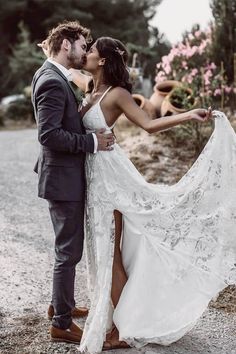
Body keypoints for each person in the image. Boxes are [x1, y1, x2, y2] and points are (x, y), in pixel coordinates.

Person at [39, 35, 236, 353]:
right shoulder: (92, 89)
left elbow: (148, 125)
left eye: (90, 50)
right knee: (105, 252)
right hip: (94, 177)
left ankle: (121, 330)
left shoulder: (117, 93)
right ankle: (113, 316)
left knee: (111, 254)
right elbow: (59, 77)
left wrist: (189, 115)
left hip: (111, 179)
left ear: (102, 60)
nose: (85, 53)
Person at [31, 22, 115, 345]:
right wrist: (92, 142)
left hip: (62, 177)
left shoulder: (52, 75)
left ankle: (60, 305)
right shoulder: (52, 81)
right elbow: (48, 135)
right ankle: (62, 324)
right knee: (68, 252)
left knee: (66, 248)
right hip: (63, 179)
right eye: (82, 45)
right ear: (66, 45)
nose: (84, 51)